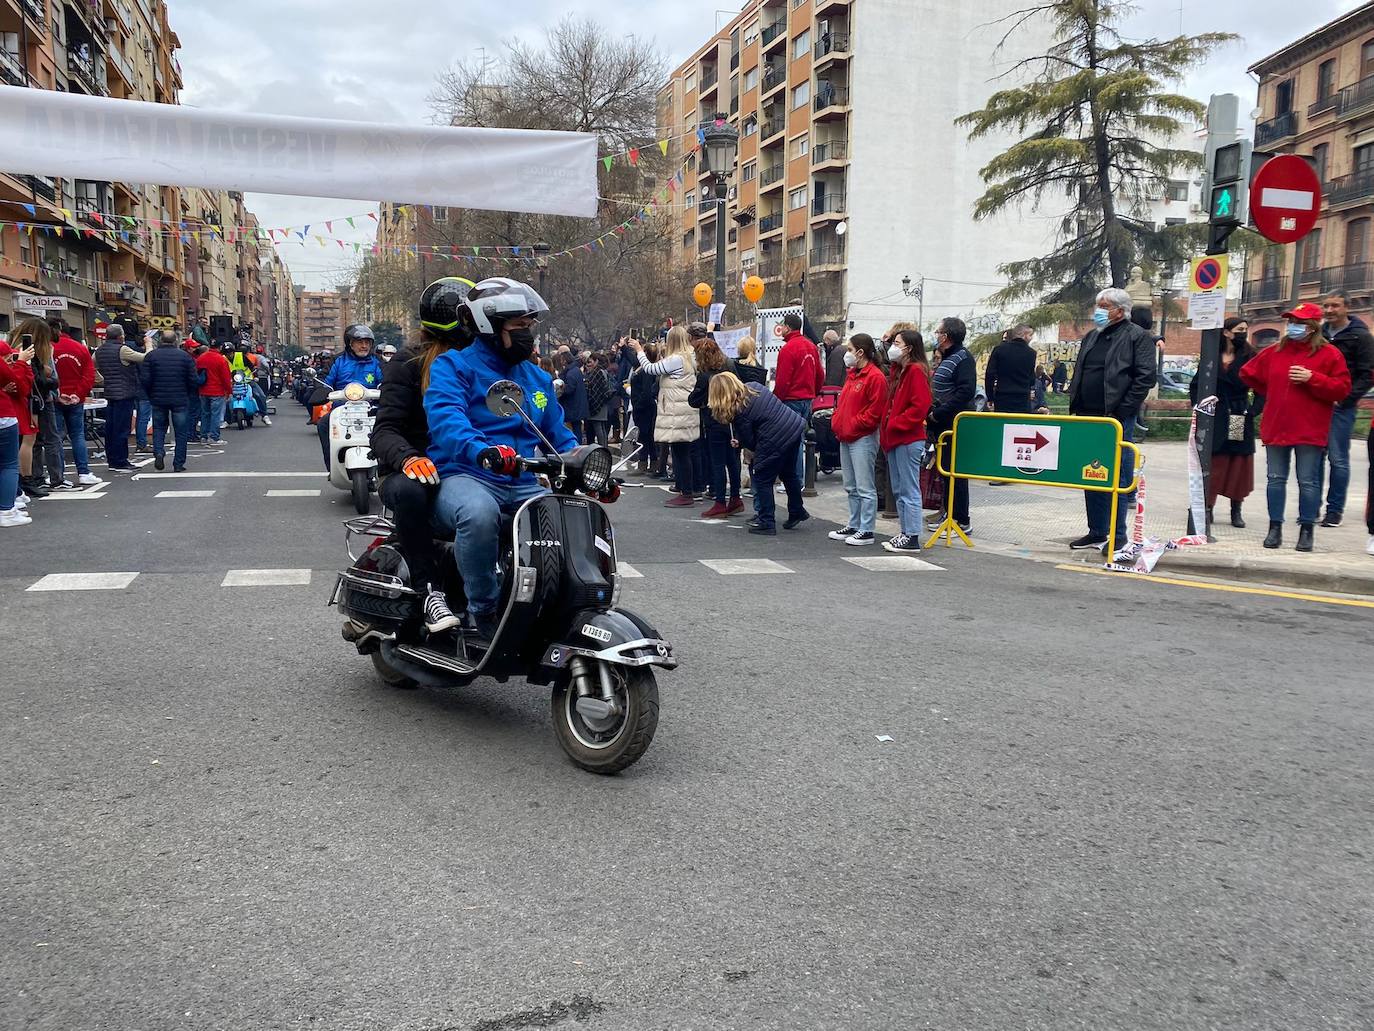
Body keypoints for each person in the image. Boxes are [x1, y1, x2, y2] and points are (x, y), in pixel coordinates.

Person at [424, 278, 582, 641]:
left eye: (530, 326)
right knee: (478, 514)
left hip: (524, 481)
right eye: (519, 327)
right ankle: (484, 609)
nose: (528, 335)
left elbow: (558, 433)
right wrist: (482, 451)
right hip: (465, 476)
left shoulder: (537, 377)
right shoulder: (453, 367)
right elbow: (447, 420)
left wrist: (583, 461)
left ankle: (560, 603)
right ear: (488, 326)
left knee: (571, 517)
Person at [371, 276, 475, 634]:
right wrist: (408, 458)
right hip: (407, 470)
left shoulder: (482, 361)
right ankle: (429, 591)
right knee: (415, 490)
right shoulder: (408, 362)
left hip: (461, 464)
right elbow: (384, 430)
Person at [1240, 303, 1351, 552]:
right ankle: (1274, 528)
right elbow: (1248, 373)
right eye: (1291, 321)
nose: (1293, 326)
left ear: (1312, 327)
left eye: (1299, 322)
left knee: (1308, 481)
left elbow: (1342, 389)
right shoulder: (1274, 352)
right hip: (1277, 424)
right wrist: (1273, 393)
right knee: (1275, 479)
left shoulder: (1330, 354)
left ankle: (1306, 529)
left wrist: (1313, 379)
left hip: (1310, 428)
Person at [1065, 289, 1156, 554]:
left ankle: (1118, 535)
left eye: (1104, 306)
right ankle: (1096, 531)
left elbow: (1145, 378)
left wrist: (1123, 410)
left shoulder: (1137, 337)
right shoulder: (1092, 336)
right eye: (1097, 305)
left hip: (1115, 419)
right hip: (1087, 417)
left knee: (1117, 475)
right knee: (1090, 472)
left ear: (1120, 310)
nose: (1098, 311)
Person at [708, 371, 809, 536]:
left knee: (762, 478)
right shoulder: (754, 387)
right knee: (789, 474)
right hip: (793, 427)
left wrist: (740, 444)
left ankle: (766, 521)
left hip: (774, 437)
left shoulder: (739, 409)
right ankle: (797, 510)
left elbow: (751, 441)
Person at [1190, 318, 1259, 530]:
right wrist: (1200, 409)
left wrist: (1251, 411)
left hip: (1238, 413)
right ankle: (1208, 507)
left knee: (1237, 461)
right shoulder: (1212, 354)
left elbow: (1262, 387)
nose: (1244, 334)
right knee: (1214, 460)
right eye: (1239, 330)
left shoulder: (1250, 356)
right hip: (1215, 414)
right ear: (1227, 333)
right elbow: (1196, 385)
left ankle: (1236, 509)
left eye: (1246, 330)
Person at [1317, 291, 1374, 527]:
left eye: (1335, 306)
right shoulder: (1318, 333)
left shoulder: (1361, 337)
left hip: (1341, 407)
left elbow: (1368, 373)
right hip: (1316, 404)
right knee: (1314, 458)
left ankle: (1334, 511)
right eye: (1326, 306)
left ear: (1347, 308)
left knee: (1338, 459)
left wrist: (1346, 399)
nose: (1329, 310)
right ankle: (1311, 509)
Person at [828, 333, 888, 546]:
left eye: (850, 350)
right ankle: (854, 524)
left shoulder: (875, 377)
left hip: (862, 437)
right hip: (847, 435)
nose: (848, 354)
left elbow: (874, 412)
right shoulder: (853, 375)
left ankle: (866, 528)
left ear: (861, 352)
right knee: (851, 486)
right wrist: (838, 421)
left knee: (864, 486)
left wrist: (852, 424)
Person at [632, 326, 700, 507]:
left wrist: (639, 350)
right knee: (682, 452)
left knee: (680, 453)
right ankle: (684, 488)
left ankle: (686, 493)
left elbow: (650, 368)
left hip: (677, 413)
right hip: (685, 411)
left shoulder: (677, 359)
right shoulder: (690, 356)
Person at [880, 330, 933, 553]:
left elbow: (920, 405)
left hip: (907, 438)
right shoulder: (901, 371)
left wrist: (896, 422)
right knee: (901, 488)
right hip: (896, 437)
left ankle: (911, 535)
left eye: (897, 343)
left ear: (908, 348)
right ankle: (905, 532)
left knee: (908, 488)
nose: (893, 346)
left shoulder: (915, 371)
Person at [925, 317, 977, 535]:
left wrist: (939, 413)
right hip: (941, 424)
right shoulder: (947, 357)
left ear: (946, 336)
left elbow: (965, 391)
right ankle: (948, 513)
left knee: (956, 471)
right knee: (946, 471)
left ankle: (961, 520)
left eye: (938, 332)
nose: (936, 335)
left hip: (953, 422)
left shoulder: (963, 358)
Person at [314, 324, 383, 469]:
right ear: (350, 343)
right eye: (360, 342)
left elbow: (389, 379)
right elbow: (324, 380)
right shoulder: (337, 361)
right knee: (323, 424)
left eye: (367, 342)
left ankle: (387, 465)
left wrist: (387, 390)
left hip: (372, 407)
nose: (364, 346)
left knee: (392, 422)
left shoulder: (378, 362)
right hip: (342, 409)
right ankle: (332, 466)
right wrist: (322, 390)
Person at [688, 337, 742, 518]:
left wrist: (704, 400)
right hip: (732, 419)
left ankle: (720, 501)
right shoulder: (730, 364)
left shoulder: (704, 376)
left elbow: (693, 401)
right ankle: (735, 498)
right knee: (732, 461)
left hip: (714, 420)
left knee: (717, 463)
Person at [773, 312, 824, 484]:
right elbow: (820, 374)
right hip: (806, 400)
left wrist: (776, 401)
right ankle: (798, 479)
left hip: (791, 399)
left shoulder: (788, 349)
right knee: (799, 440)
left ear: (787, 327)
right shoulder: (810, 346)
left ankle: (794, 480)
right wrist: (813, 393)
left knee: (790, 442)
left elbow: (782, 380)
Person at [140, 330, 200, 473]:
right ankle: (178, 463)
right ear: (175, 341)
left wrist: (150, 394)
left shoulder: (151, 357)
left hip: (158, 398)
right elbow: (193, 380)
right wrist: (189, 394)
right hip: (180, 398)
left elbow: (145, 379)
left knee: (159, 428)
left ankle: (159, 452)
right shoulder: (185, 357)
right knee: (181, 432)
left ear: (160, 340)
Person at [49, 317, 99, 487]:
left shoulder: (49, 348)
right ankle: (83, 472)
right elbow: (89, 375)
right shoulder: (80, 348)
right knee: (77, 435)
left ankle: (58, 474)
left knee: (56, 438)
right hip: (76, 399)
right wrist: (78, 394)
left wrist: (57, 393)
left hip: (54, 398)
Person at [93, 324, 145, 472]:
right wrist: (148, 346)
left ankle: (112, 459)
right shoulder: (123, 349)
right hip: (125, 393)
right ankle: (121, 461)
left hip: (110, 393)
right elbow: (144, 358)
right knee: (122, 429)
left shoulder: (99, 350)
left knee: (111, 428)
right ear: (120, 336)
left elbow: (92, 367)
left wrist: (102, 380)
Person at [0, 332, 36, 526]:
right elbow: (20, 385)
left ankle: (9, 504)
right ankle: (6, 510)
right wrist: (22, 363)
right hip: (3, 416)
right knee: (8, 465)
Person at [984, 324, 1037, 414]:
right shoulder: (1031, 353)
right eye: (1030, 335)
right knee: (1020, 425)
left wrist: (990, 397)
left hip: (1003, 396)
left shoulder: (999, 350)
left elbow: (990, 374)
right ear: (1024, 335)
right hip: (1022, 398)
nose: (1031, 338)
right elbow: (1032, 378)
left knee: (1002, 424)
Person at [628, 342, 660, 474]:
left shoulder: (646, 370)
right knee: (647, 435)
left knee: (645, 435)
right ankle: (652, 462)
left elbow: (646, 392)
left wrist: (639, 404)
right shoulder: (641, 368)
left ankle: (644, 462)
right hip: (642, 406)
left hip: (644, 408)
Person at [195, 339, 233, 447]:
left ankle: (204, 436)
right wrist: (229, 391)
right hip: (217, 391)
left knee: (205, 414)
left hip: (203, 390)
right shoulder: (221, 360)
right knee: (215, 415)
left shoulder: (201, 358)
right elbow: (226, 378)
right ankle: (214, 437)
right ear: (220, 347)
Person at [559, 351, 589, 441]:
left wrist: (562, 389)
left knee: (575, 429)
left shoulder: (570, 373)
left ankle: (576, 446)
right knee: (577, 427)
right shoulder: (576, 370)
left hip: (573, 406)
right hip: (578, 405)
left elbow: (570, 389)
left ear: (564, 360)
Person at [584, 351, 612, 446]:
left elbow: (595, 390)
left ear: (596, 361)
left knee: (598, 427)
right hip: (603, 404)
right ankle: (604, 447)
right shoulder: (603, 371)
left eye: (590, 361)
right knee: (602, 428)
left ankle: (602, 448)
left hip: (598, 404)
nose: (589, 364)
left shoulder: (597, 372)